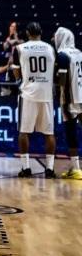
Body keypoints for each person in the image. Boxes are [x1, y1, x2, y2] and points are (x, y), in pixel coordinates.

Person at [11, 22, 57, 178]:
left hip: (28, 94)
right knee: (49, 133)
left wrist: (22, 81)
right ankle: (50, 169)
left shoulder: (19, 48)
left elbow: (16, 71)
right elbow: (55, 70)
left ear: (27, 33)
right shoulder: (50, 48)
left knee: (24, 131)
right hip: (46, 94)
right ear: (41, 32)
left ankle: (26, 168)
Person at [53, 27, 82, 179]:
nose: (54, 39)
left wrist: (52, 79)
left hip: (70, 98)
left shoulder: (62, 55)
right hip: (81, 94)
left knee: (71, 133)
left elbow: (62, 81)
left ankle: (76, 168)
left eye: (56, 36)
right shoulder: (80, 53)